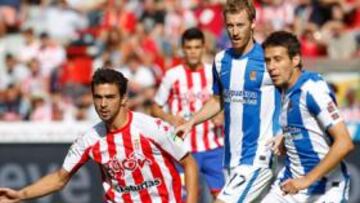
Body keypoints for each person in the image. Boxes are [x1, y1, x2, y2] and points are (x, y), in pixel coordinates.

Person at [0, 68, 198, 203]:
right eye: (98, 97)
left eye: (110, 97)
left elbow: (188, 163)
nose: (103, 104)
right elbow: (60, 179)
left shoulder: (152, 127)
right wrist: (21, 194)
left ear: (124, 99)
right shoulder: (90, 139)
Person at [175, 1, 281, 202]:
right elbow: (218, 100)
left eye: (240, 25)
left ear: (252, 24)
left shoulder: (268, 59)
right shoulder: (220, 60)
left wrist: (283, 133)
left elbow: (290, 96)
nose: (234, 31)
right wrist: (191, 121)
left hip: (259, 156)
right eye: (230, 25)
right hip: (231, 157)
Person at [261, 31, 354, 202]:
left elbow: (344, 143)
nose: (271, 66)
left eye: (278, 59)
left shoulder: (312, 89)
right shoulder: (284, 89)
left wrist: (306, 180)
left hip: (324, 189)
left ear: (295, 59)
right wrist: (286, 137)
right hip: (289, 185)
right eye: (268, 60)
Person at [151, 27, 225, 199]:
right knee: (184, 197)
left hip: (213, 146)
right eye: (189, 48)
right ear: (182, 49)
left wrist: (222, 115)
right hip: (182, 148)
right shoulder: (172, 75)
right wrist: (170, 118)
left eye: (197, 47)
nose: (193, 52)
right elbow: (155, 107)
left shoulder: (214, 73)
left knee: (223, 197)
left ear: (203, 48)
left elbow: (226, 102)